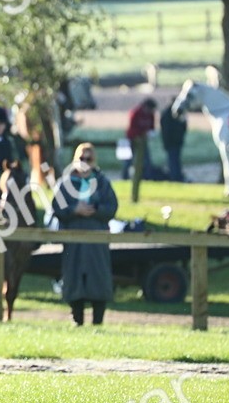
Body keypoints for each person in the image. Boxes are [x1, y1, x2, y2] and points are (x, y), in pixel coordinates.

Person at [53, 142, 119, 326]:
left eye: (88, 159)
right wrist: (75, 210)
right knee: (74, 277)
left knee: (98, 277)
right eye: (81, 158)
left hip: (96, 238)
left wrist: (95, 209)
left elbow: (112, 207)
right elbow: (57, 207)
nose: (84, 162)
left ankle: (98, 322)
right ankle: (77, 320)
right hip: (73, 238)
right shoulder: (65, 183)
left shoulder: (102, 182)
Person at [122, 97, 157, 202]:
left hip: (143, 142)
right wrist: (139, 135)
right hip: (131, 140)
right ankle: (125, 178)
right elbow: (132, 128)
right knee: (128, 161)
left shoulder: (151, 115)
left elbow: (152, 127)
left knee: (146, 161)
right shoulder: (136, 112)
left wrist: (149, 134)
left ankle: (145, 177)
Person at [159, 98, 187, 182]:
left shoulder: (168, 113)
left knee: (174, 160)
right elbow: (166, 130)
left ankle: (176, 176)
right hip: (172, 142)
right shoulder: (169, 114)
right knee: (173, 161)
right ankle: (175, 177)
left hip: (175, 142)